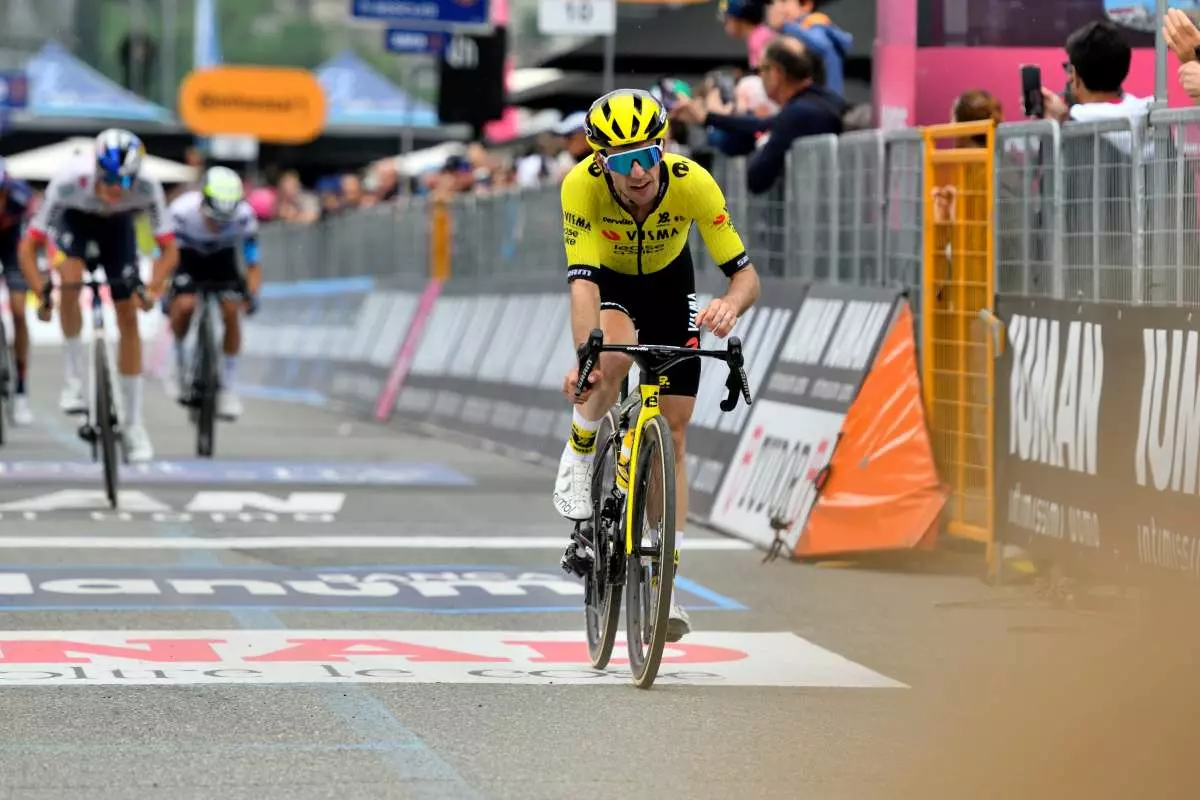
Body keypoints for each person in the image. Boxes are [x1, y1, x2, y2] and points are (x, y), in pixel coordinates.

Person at [554, 88, 762, 641]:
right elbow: (583, 286)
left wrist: (730, 304)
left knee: (674, 429)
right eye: (624, 161)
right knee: (612, 357)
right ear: (602, 162)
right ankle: (580, 450)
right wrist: (585, 359)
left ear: (663, 146)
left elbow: (745, 275)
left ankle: (666, 578)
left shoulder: (693, 182)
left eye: (648, 154)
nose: (639, 171)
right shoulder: (580, 186)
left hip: (671, 287)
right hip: (610, 284)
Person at [18, 128, 178, 463]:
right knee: (70, 279)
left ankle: (133, 424)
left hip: (119, 229)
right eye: (109, 179)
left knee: (128, 314)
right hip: (75, 223)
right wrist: (41, 291)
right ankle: (73, 380)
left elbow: (168, 250)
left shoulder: (148, 187)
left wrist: (152, 289)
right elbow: (29, 246)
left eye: (126, 181)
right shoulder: (68, 179)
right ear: (95, 168)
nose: (117, 188)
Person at [672, 36, 846, 194]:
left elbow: (756, 179)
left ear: (776, 73)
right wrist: (706, 117)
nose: (760, 76)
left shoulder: (798, 113)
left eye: (761, 69)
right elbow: (759, 124)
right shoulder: (821, 102)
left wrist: (763, 143)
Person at [164, 166, 261, 420]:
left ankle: (227, 386)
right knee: (184, 306)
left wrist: (251, 294)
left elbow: (252, 261)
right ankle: (178, 364)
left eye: (224, 220)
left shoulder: (245, 216)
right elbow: (163, 253)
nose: (218, 225)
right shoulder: (180, 211)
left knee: (231, 310)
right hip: (187, 257)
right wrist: (164, 288)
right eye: (213, 218)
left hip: (222, 258)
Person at [0, 157, 36, 426]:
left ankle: (21, 388)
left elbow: (32, 240)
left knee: (19, 311)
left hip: (13, 246)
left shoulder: (21, 197)